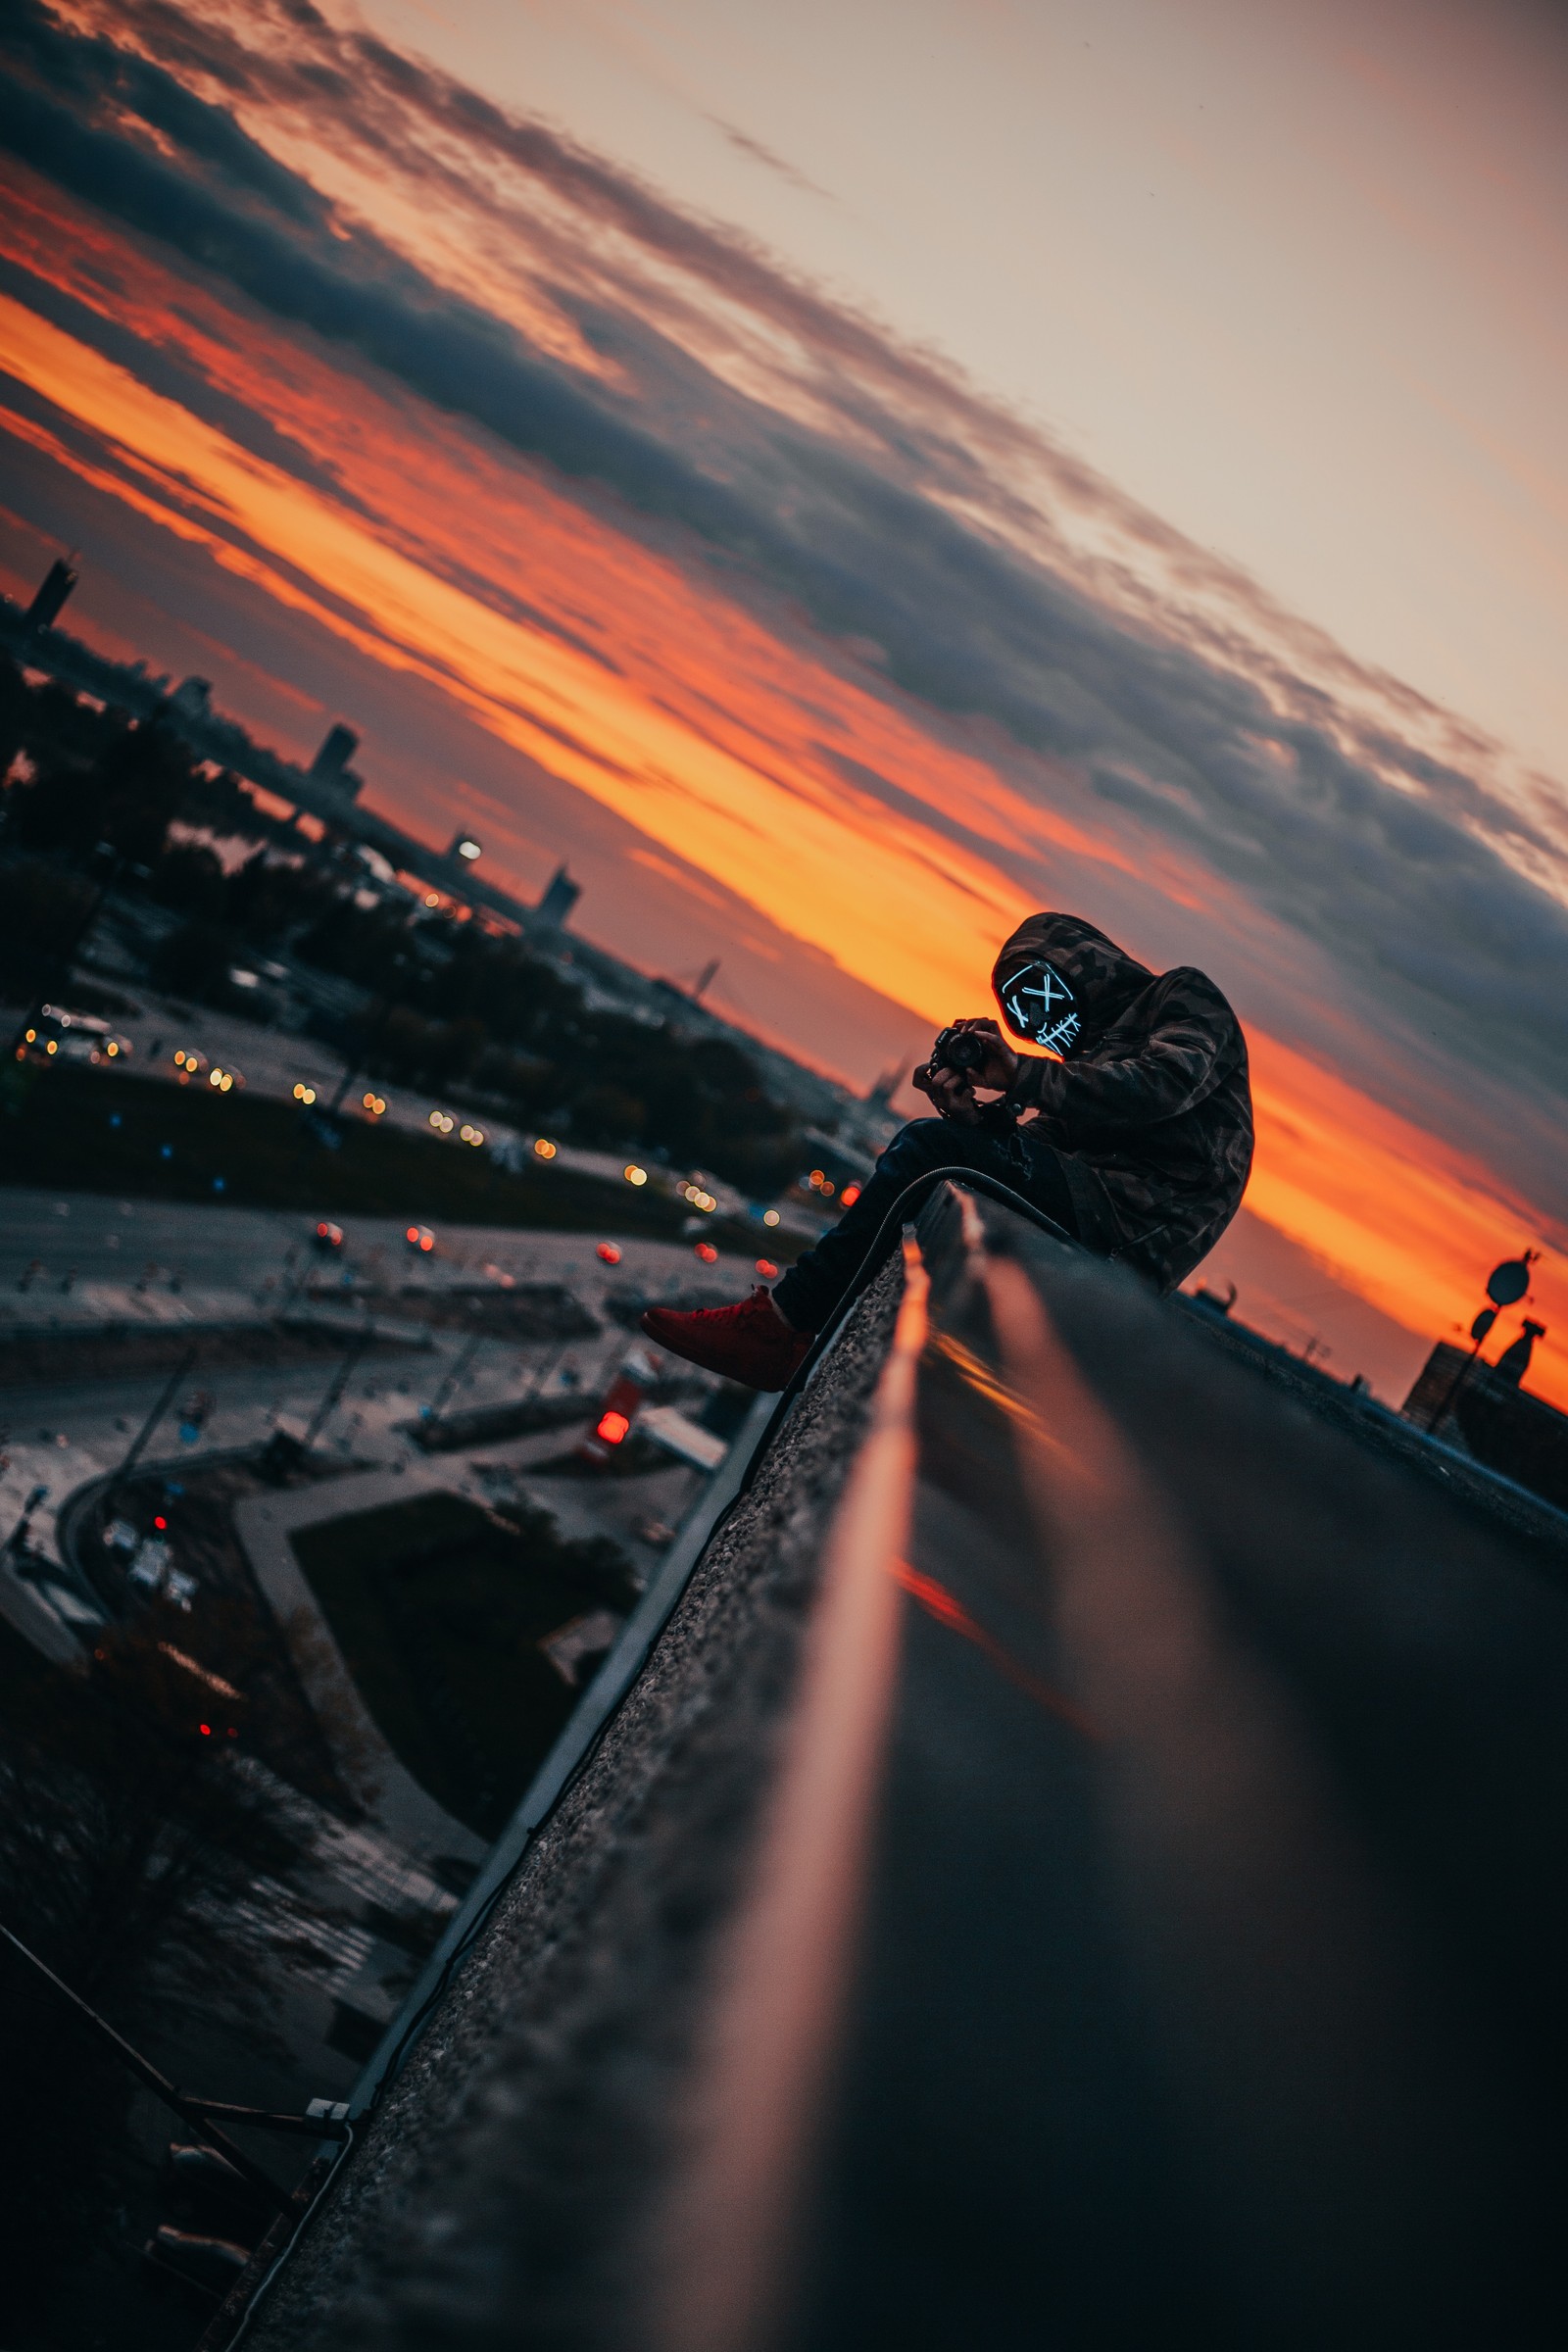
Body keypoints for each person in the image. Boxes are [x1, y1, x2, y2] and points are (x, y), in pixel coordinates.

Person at [641, 912, 1254, 1390]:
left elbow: (1163, 1084)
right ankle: (801, 1332)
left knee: (928, 1149)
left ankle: (781, 1326)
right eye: (1027, 1019)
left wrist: (1022, 1078)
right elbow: (1044, 1149)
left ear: (1083, 967)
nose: (1043, 1024)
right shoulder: (1088, 1066)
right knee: (944, 1147)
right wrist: (976, 1120)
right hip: (1101, 1208)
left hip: (1134, 1226)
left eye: (1044, 999)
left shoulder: (1182, 998)